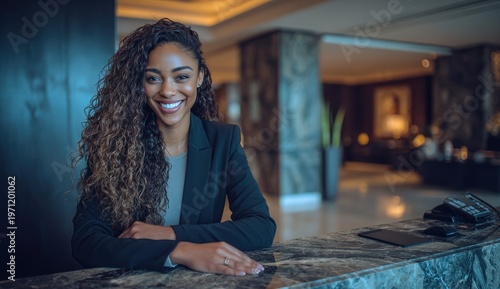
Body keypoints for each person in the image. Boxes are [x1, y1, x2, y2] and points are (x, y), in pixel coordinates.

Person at [71, 18, 276, 276]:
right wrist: (178, 250)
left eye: (181, 76)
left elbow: (260, 227)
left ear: (199, 77)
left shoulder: (223, 141)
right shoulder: (114, 146)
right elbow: (86, 242)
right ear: (139, 84)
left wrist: (170, 234)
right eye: (153, 78)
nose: (168, 90)